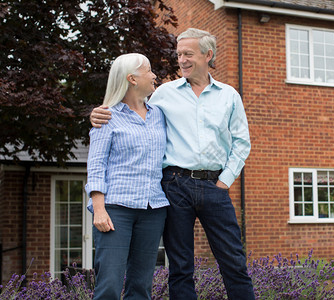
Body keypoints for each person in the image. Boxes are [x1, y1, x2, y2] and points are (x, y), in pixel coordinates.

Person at [90, 28, 255, 300]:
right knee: (180, 266)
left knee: (234, 261)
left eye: (188, 54)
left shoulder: (229, 96)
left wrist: (225, 180)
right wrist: (97, 114)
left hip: (215, 186)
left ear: (207, 55)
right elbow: (128, 108)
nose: (182, 60)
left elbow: (241, 143)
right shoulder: (164, 94)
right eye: (179, 54)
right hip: (175, 186)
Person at [85, 53, 169, 300]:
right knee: (109, 284)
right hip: (116, 210)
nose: (154, 76)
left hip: (153, 209)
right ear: (132, 79)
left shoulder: (159, 114)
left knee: (141, 286)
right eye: (149, 71)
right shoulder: (107, 116)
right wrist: (98, 209)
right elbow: (96, 165)